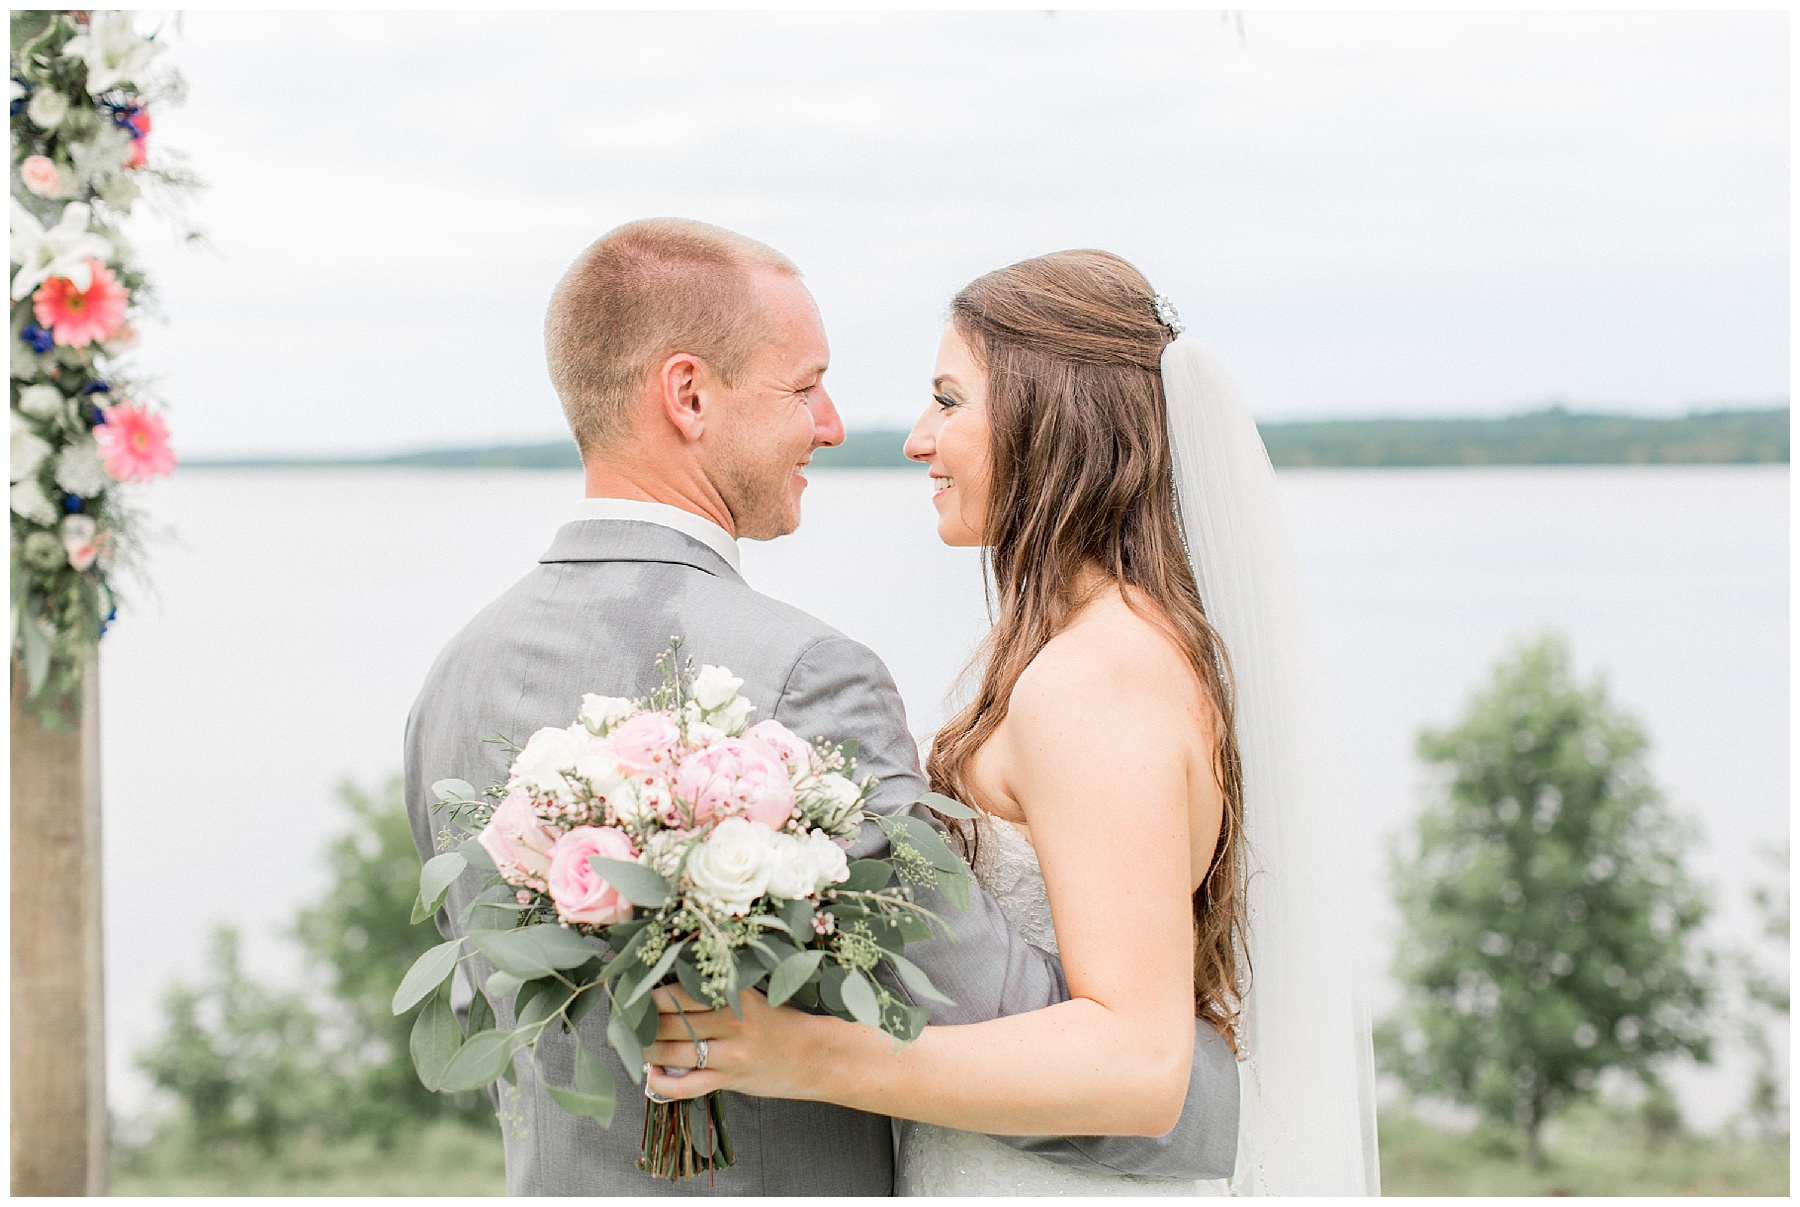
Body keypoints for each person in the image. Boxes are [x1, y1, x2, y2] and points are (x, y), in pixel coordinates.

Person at [403, 222, 1240, 1196]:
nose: (840, 426)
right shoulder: (804, 677)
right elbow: (999, 1021)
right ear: (688, 395)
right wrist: (1222, 1098)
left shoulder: (451, 682)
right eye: (804, 387)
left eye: (945, 400)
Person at [641, 250, 1382, 1195]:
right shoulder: (1094, 645)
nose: (918, 440)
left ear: (1050, 416)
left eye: (948, 401)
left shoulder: (1097, 676)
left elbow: (1140, 1065)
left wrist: (801, 1054)